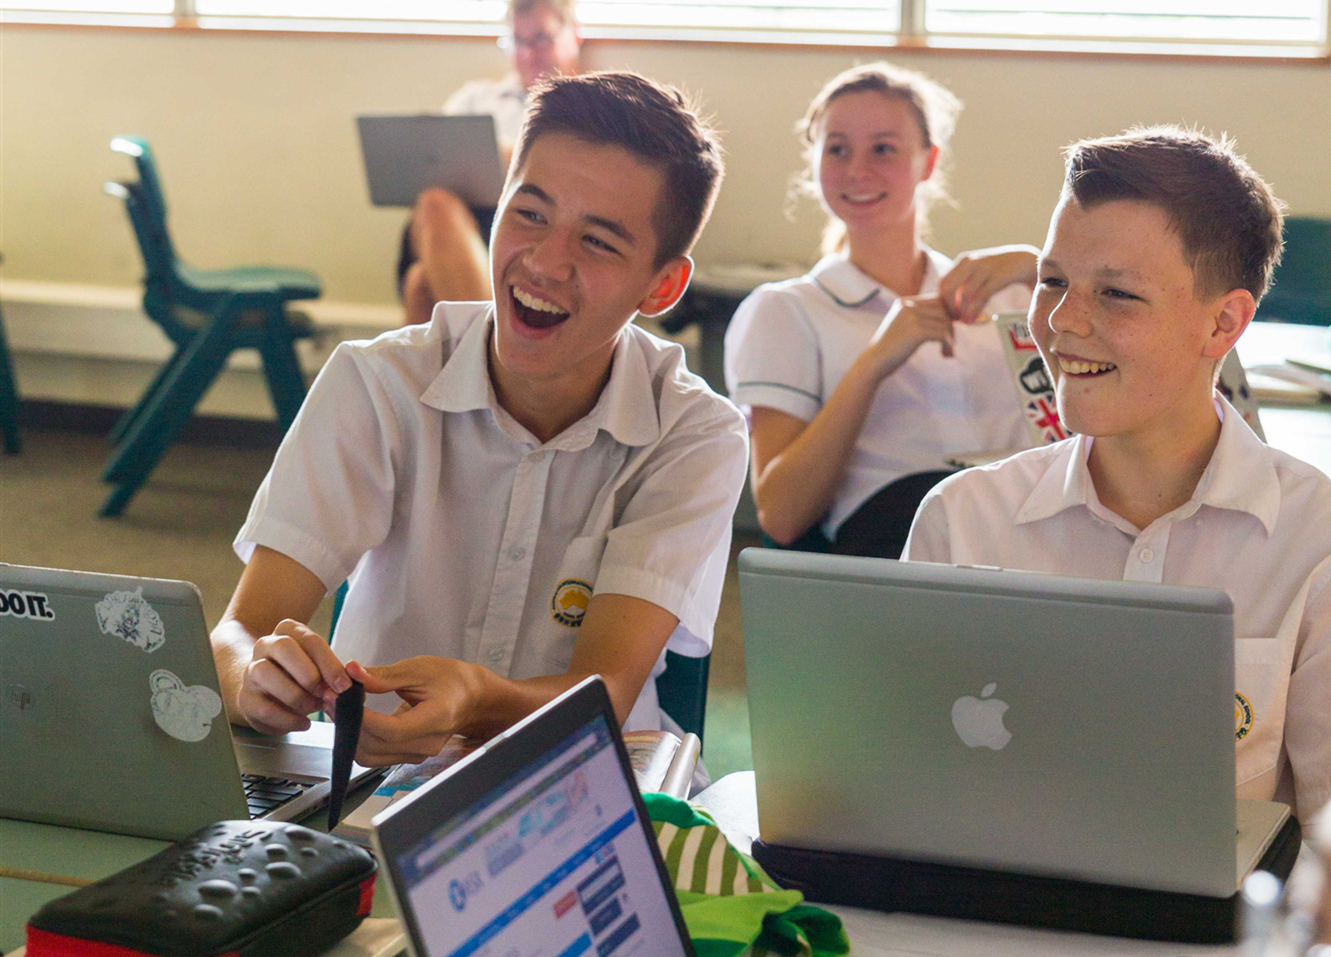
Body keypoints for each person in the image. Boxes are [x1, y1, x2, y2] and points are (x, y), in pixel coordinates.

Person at [211, 72, 747, 767]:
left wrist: (475, 697)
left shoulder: (693, 434)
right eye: (529, 213)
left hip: (578, 781)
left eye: (598, 243)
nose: (546, 262)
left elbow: (605, 690)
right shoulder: (378, 383)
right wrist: (254, 679)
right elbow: (238, 632)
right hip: (371, 782)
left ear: (662, 285)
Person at [904, 126, 1331, 826]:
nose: (1063, 321)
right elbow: (907, 782)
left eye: (1116, 295)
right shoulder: (963, 517)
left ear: (1222, 325)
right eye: (1051, 282)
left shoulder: (1310, 537)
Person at [723, 62, 1040, 559]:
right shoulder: (787, 310)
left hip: (1032, 522)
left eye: (883, 149)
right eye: (838, 149)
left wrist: (1041, 269)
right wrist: (874, 363)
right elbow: (781, 516)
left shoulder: (1007, 291)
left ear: (928, 162)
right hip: (897, 539)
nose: (857, 170)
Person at [400, 0, 583, 325]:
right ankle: (491, 351)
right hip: (461, 223)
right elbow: (432, 164)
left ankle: (480, 354)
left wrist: (501, 156)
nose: (529, 53)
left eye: (542, 39)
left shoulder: (587, 109)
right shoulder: (476, 99)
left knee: (420, 284)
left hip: (536, 229)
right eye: (518, 42)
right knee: (434, 203)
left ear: (574, 35)